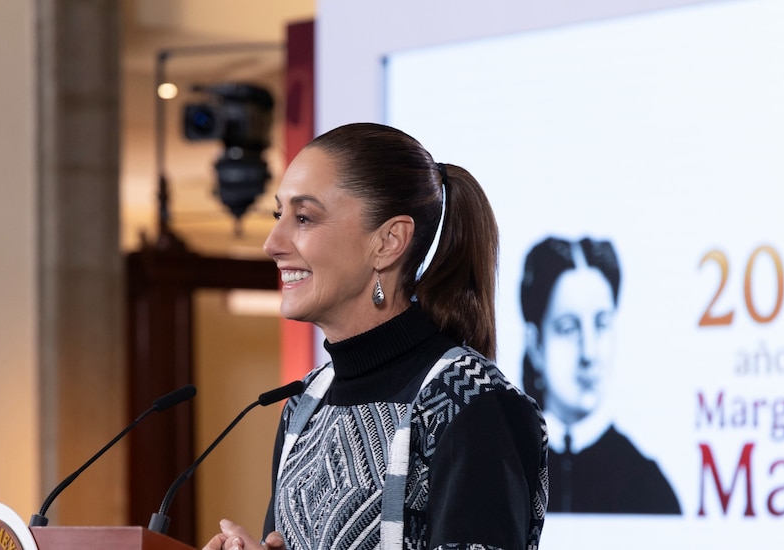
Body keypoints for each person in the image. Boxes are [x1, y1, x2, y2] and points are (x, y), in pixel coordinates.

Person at [203, 123, 549, 550]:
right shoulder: (303, 403)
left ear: (388, 242)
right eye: (279, 216)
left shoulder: (475, 403)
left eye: (304, 217)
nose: (272, 243)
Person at [520, 236, 680, 515]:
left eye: (601, 324)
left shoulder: (648, 485)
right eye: (569, 329)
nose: (589, 354)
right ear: (536, 344)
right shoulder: (508, 470)